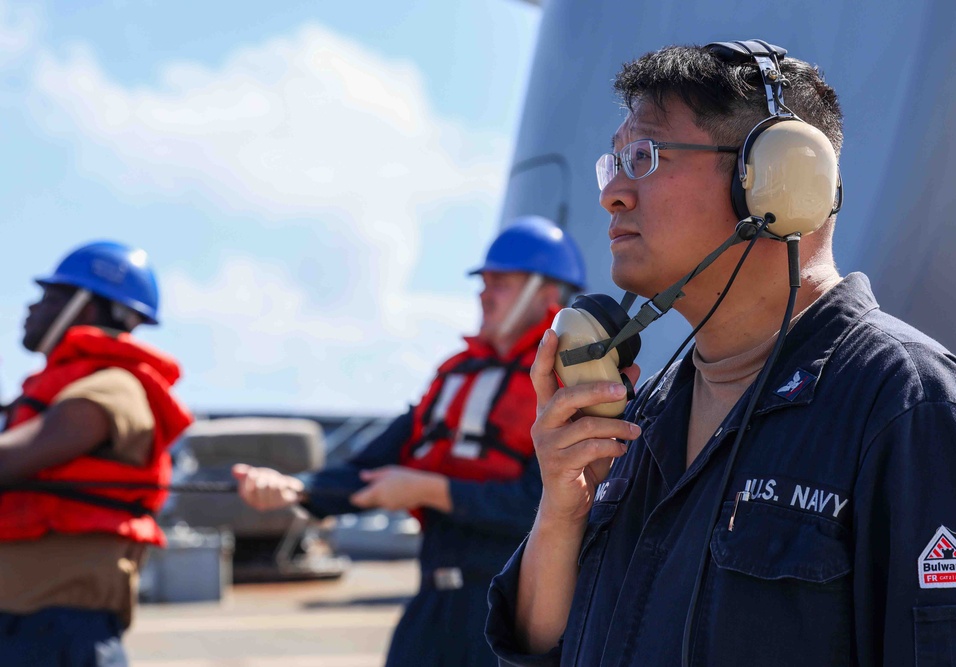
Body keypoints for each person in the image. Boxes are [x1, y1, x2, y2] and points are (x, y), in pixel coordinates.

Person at [485, 41, 956, 666]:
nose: (612, 194)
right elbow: (544, 646)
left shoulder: (908, 406)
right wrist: (564, 508)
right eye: (613, 163)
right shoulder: (639, 419)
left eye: (644, 156)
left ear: (780, 181)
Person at [233, 215, 587, 666]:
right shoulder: (455, 376)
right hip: (433, 609)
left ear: (546, 295)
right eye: (484, 282)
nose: (483, 293)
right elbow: (376, 463)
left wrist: (428, 491)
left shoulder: (564, 384)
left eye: (501, 283)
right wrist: (299, 489)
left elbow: (548, 504)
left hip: (506, 614)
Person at [0, 241, 193, 666]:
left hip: (56, 635)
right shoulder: (56, 387)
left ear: (86, 309)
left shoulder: (111, 387)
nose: (30, 309)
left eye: (48, 298)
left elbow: (10, 460)